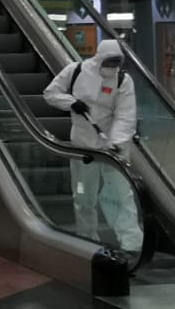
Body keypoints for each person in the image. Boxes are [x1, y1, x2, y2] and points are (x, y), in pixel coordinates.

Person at [42, 39, 143, 253]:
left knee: (122, 194)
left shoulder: (123, 80)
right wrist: (71, 103)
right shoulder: (76, 70)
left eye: (117, 62)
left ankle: (131, 243)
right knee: (83, 195)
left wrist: (115, 142)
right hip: (83, 146)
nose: (113, 67)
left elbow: (126, 115)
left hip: (114, 148)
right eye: (109, 62)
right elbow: (50, 94)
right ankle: (87, 238)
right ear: (98, 58)